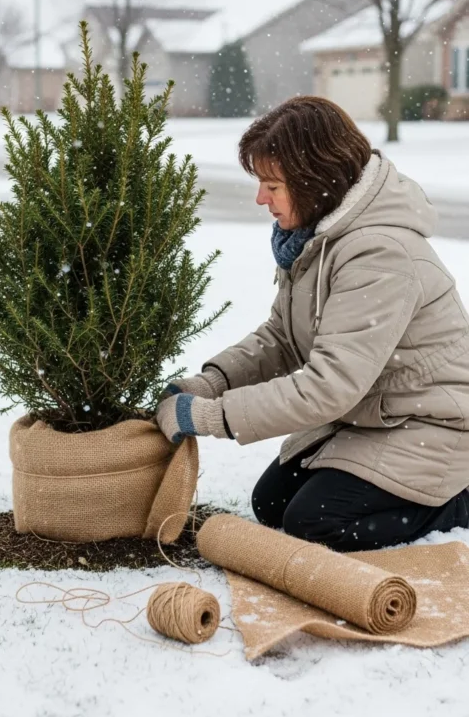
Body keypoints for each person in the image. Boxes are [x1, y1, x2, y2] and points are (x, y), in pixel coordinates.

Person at [156, 96, 469, 551]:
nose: (260, 198)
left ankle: (459, 500)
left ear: (314, 181)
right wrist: (212, 382)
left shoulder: (379, 254)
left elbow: (329, 386)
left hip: (430, 426)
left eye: (272, 185)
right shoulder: (315, 241)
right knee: (271, 504)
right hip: (372, 415)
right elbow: (281, 338)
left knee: (316, 523)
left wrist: (208, 418)